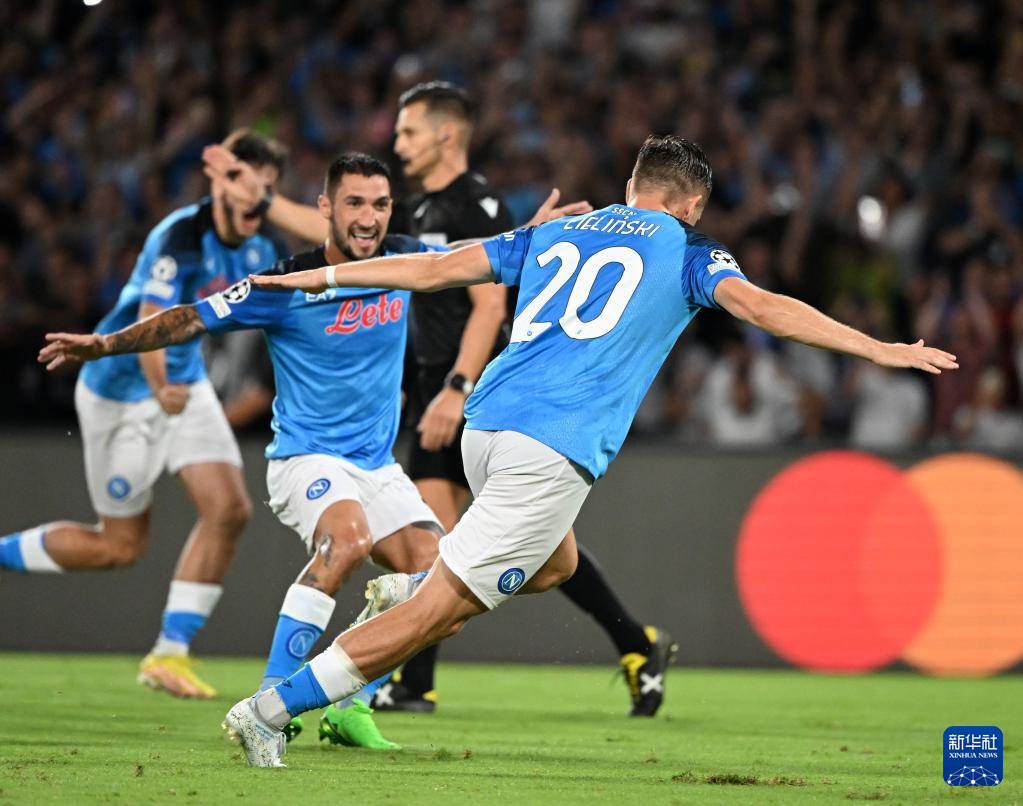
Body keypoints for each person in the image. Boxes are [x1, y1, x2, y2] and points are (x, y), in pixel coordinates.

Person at [217, 133, 956, 767]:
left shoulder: (558, 230)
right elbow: (763, 308)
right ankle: (268, 712)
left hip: (485, 428)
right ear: (692, 205)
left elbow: (436, 269)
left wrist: (321, 275)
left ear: (630, 188)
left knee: (558, 564)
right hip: (550, 447)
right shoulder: (691, 252)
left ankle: (411, 588)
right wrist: (878, 347)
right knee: (437, 617)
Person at [39, 151, 583, 749]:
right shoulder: (285, 283)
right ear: (326, 207)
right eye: (354, 203)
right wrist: (104, 344)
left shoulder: (402, 258)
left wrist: (532, 232)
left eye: (380, 204)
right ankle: (270, 700)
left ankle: (350, 707)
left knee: (432, 575)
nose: (369, 217)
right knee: (347, 541)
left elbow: (469, 256)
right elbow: (190, 318)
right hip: (306, 458)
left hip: (377, 465)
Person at [205, 81, 680, 718]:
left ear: (445, 134)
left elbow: (488, 304)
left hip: (480, 391)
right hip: (442, 386)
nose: (398, 144)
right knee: (526, 548)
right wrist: (263, 201)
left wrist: (457, 388)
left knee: (471, 546)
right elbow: (345, 235)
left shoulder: (474, 203)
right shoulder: (419, 209)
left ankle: (407, 682)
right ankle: (628, 643)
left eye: (408, 132)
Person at [0, 129, 286, 700]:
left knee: (229, 509)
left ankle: (170, 652)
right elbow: (152, 319)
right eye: (245, 183)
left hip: (186, 385)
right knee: (119, 547)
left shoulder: (261, 249)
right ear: (221, 183)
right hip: (124, 391)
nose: (256, 199)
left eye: (267, 188)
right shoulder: (180, 235)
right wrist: (160, 388)